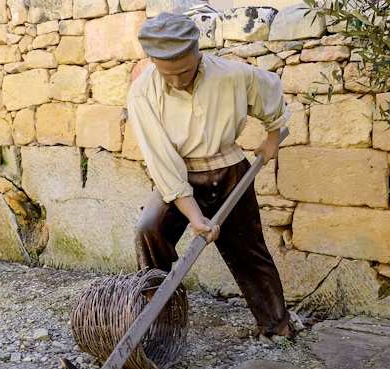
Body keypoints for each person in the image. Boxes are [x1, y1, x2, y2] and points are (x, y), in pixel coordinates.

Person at [127, 12, 301, 339]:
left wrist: (272, 138)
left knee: (250, 250)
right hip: (181, 177)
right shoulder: (142, 93)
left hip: (230, 171)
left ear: (197, 52)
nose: (177, 82)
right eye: (168, 75)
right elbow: (162, 162)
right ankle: (160, 327)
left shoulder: (231, 75)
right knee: (149, 230)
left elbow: (270, 89)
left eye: (184, 71)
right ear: (152, 61)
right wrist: (194, 216)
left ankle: (277, 325)